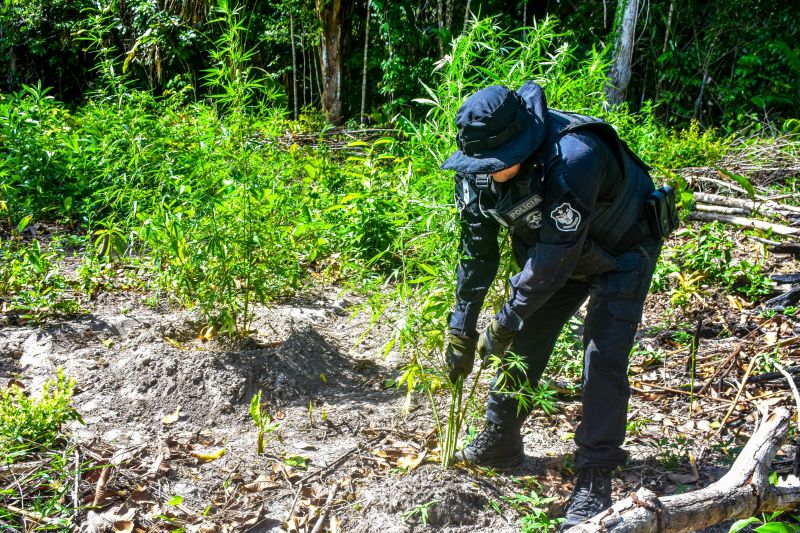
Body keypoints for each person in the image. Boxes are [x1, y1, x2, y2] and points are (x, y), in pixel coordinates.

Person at [440, 81, 675, 529]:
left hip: (622, 250)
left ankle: (594, 476)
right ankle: (501, 439)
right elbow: (477, 252)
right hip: (555, 252)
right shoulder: (477, 167)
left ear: (521, 147)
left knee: (602, 357)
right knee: (526, 340)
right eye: (479, 165)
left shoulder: (575, 156)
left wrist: (505, 319)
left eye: (495, 164)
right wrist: (461, 328)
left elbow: (553, 258)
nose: (486, 173)